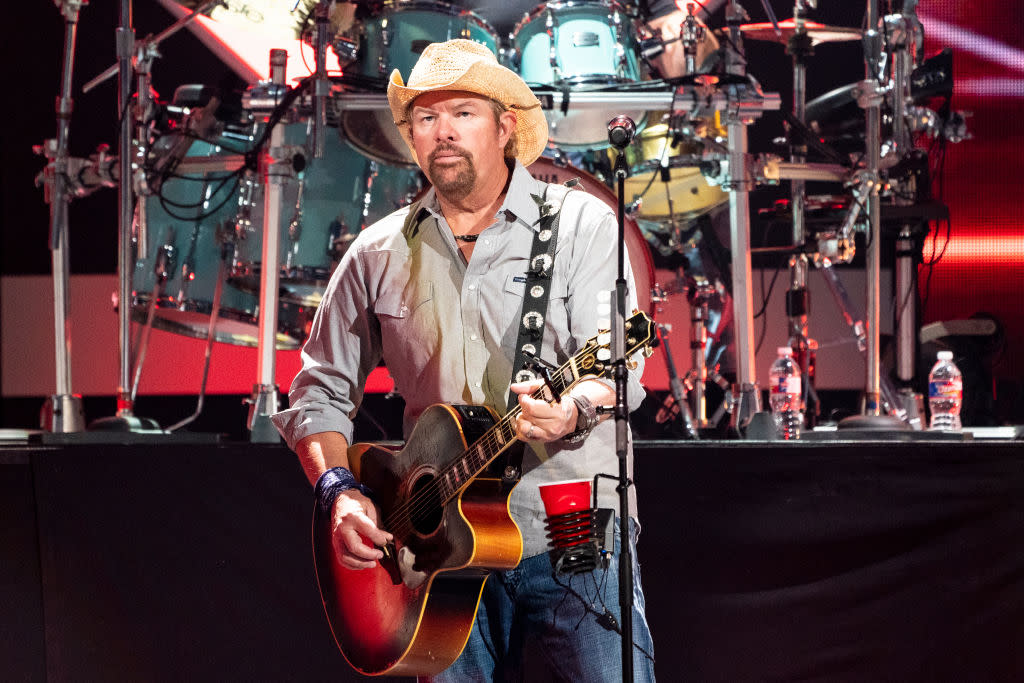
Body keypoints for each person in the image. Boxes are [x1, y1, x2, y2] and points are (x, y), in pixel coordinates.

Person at [271, 39, 656, 682]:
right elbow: (316, 395)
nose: (442, 131)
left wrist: (572, 410)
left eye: (463, 113)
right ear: (412, 138)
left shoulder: (584, 225)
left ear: (506, 127)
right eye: (426, 117)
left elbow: (617, 370)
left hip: (569, 532)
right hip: (436, 557)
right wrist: (339, 492)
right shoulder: (375, 252)